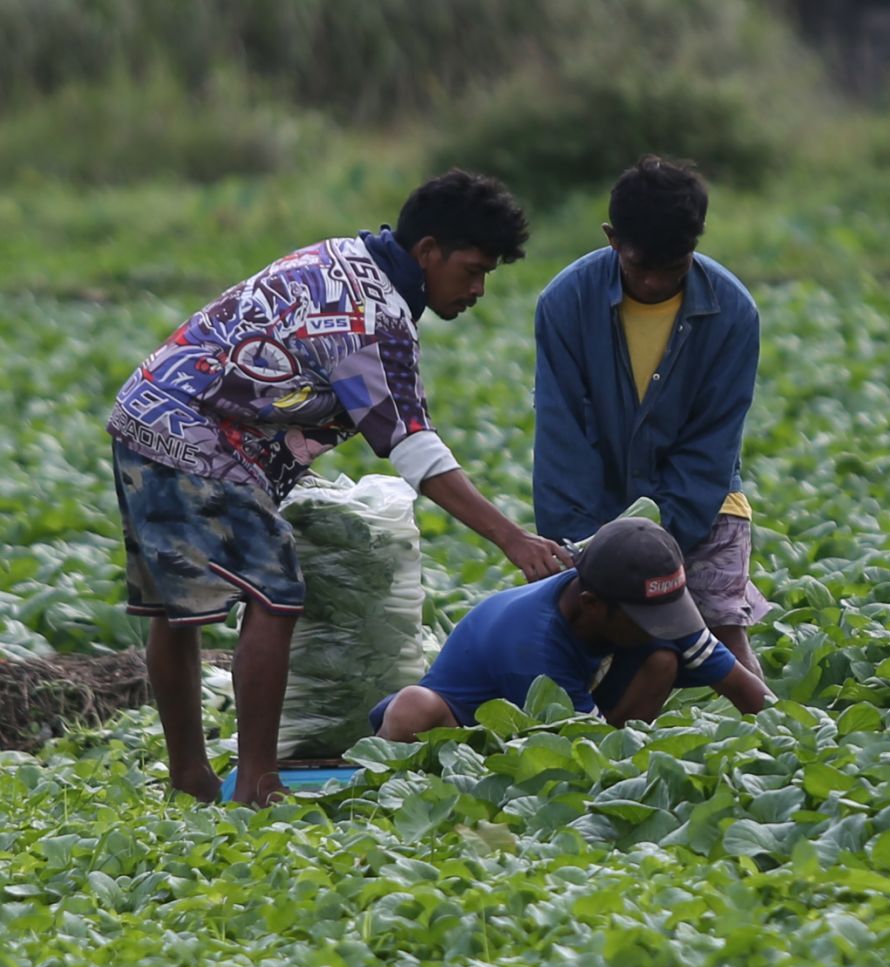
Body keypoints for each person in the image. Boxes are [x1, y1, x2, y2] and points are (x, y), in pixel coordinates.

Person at [107, 169, 571, 807]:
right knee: (277, 596)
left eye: (488, 273)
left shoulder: (343, 257)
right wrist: (511, 538)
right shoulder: (375, 315)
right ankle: (259, 785)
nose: (478, 289)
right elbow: (412, 445)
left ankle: (190, 778)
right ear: (427, 251)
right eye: (471, 269)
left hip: (145, 411)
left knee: (175, 606)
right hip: (198, 435)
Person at [531, 155, 770, 679]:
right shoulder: (566, 303)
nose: (658, 282)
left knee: (722, 627)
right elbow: (562, 438)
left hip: (703, 504)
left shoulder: (732, 312)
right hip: (595, 506)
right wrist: (589, 552)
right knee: (591, 641)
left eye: (675, 266)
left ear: (695, 248)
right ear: (612, 238)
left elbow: (712, 444)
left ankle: (773, 735)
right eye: (643, 265)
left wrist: (661, 542)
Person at [370, 517, 773, 740]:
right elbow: (575, 753)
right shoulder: (534, 645)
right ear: (593, 605)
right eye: (649, 620)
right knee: (415, 707)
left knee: (663, 658)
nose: (664, 626)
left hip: (564, 727)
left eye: (670, 614)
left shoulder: (652, 604)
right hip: (469, 735)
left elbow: (748, 692)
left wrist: (802, 738)